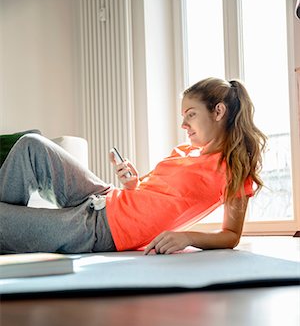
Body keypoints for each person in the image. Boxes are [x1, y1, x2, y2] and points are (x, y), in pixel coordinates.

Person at [0, 77, 266, 255]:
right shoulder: (186, 150)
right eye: (183, 116)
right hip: (102, 196)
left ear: (218, 112)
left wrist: (187, 237)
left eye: (191, 115)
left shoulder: (233, 169)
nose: (183, 125)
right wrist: (133, 184)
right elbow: (153, 198)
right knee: (31, 145)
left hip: (98, 230)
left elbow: (231, 235)